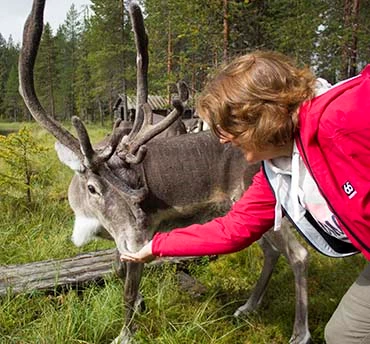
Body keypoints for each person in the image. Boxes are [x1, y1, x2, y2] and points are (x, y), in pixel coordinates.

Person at [120, 50, 370, 344]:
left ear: (258, 118)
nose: (221, 139)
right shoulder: (278, 172)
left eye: (226, 128)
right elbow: (233, 229)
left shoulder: (345, 116)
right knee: (345, 334)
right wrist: (158, 246)